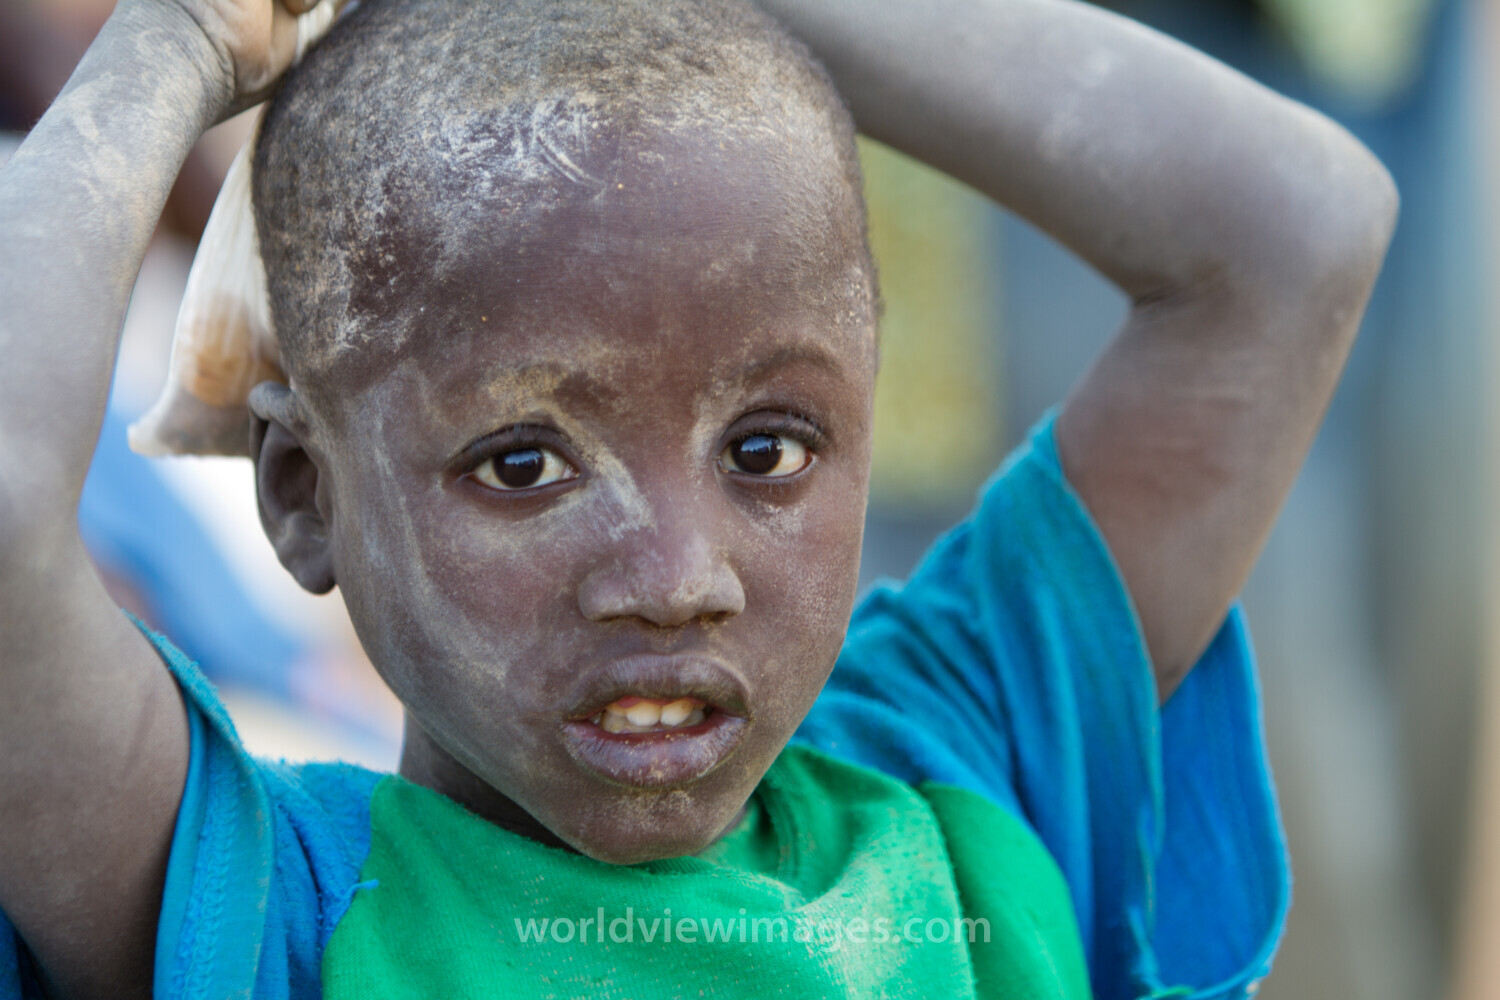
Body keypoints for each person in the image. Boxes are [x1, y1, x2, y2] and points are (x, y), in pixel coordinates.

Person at [0, 0, 1396, 997]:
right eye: (524, 465)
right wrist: (177, 44)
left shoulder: (961, 775)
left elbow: (1300, 229)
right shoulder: (270, 912)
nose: (677, 578)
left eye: (769, 451)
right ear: (304, 495)